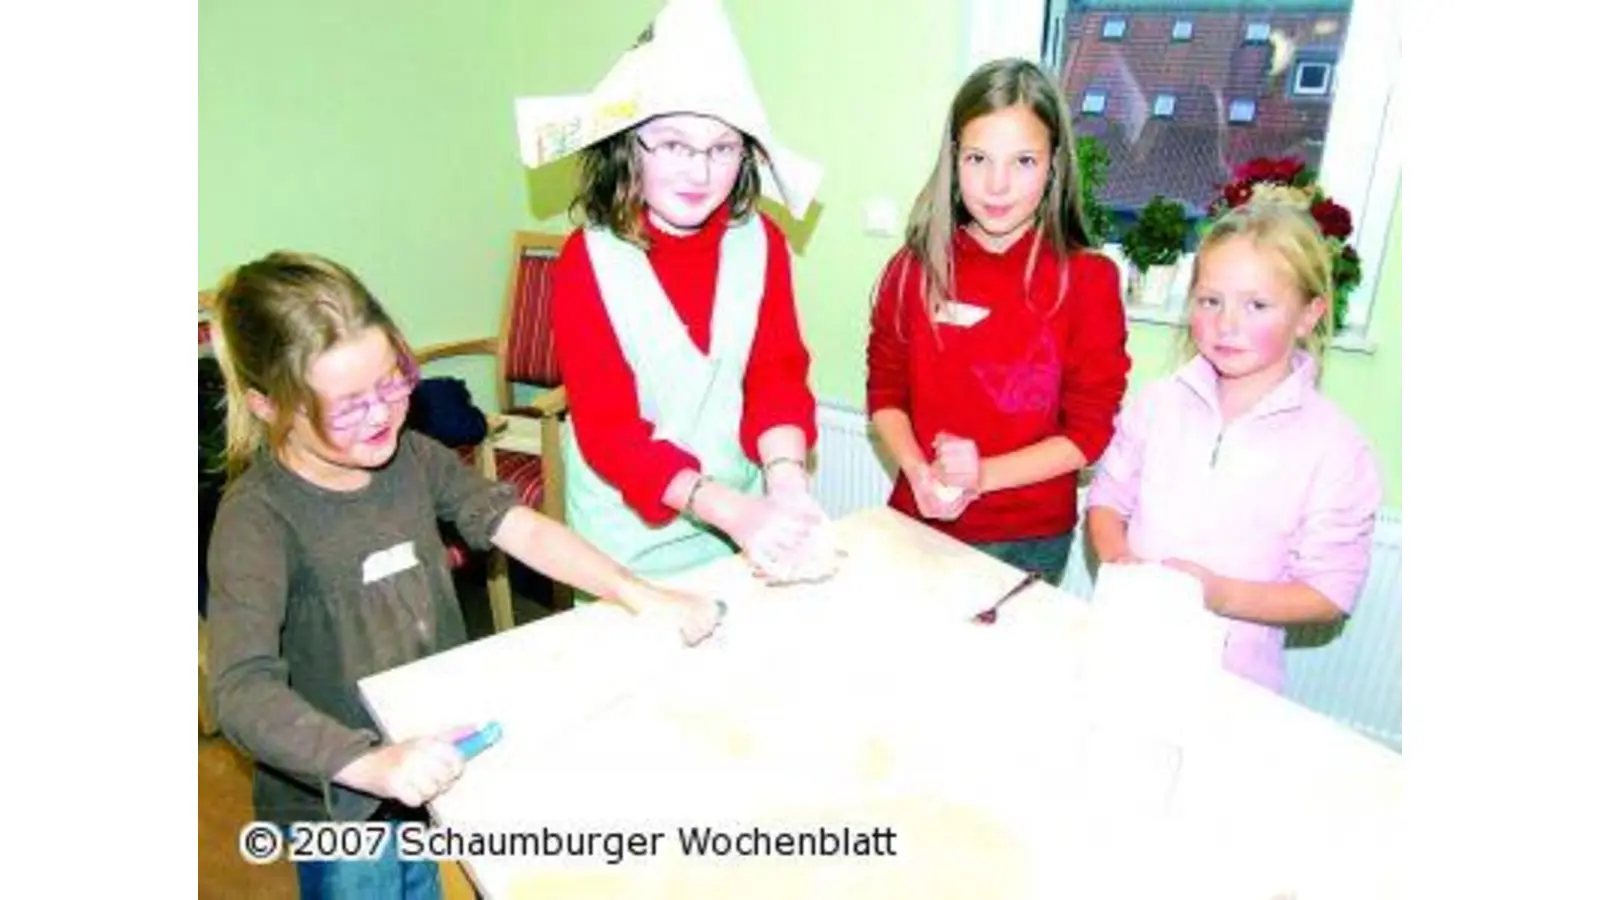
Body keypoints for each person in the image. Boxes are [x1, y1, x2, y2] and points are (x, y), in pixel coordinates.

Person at [205, 251, 721, 898]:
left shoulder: (414, 458)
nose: (382, 415)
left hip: (430, 750)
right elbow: (242, 691)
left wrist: (637, 593)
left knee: (424, 884)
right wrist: (369, 763)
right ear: (266, 405)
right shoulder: (256, 518)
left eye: (393, 383)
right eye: (348, 406)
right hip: (339, 796)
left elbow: (520, 526)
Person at [515, 0, 836, 585]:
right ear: (626, 144)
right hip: (626, 542)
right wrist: (731, 511)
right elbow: (610, 430)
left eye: (722, 147)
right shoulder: (587, 259)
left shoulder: (760, 241)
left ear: (747, 155)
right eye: (672, 145)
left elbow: (776, 375)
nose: (700, 172)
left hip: (738, 525)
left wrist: (787, 483)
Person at [1085, 200, 1383, 693]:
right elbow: (1107, 502)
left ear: (1308, 315)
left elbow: (1329, 593)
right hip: (1122, 652)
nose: (1226, 325)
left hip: (1232, 685)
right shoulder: (1157, 404)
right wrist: (1120, 561)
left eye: (1256, 305)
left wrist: (1220, 595)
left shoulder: (1335, 449)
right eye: (1210, 301)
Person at [865, 57, 1131, 584]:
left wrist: (981, 475)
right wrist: (917, 471)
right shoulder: (914, 267)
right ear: (953, 159)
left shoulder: (1088, 280)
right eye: (978, 159)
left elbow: (1087, 435)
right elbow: (886, 393)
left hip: (1028, 541)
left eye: (1024, 161)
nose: (997, 185)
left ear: (1054, 164)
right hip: (917, 519)